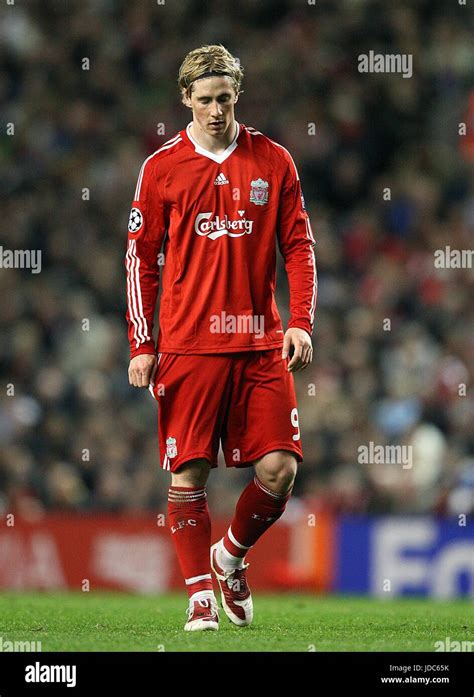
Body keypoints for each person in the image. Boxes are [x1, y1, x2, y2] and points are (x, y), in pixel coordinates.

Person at [125, 44, 317, 631]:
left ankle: (229, 557)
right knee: (190, 473)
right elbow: (141, 259)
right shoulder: (161, 168)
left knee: (281, 469)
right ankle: (199, 596)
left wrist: (301, 322)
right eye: (204, 100)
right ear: (186, 99)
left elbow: (299, 248)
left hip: (260, 342)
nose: (214, 110)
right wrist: (142, 342)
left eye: (224, 99)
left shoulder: (273, 160)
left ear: (238, 95)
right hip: (188, 345)